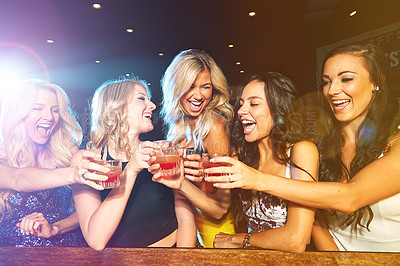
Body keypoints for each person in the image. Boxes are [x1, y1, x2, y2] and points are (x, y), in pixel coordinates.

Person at [208, 43, 400, 252]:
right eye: (326, 82)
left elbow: (350, 197)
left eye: (346, 79)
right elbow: (316, 222)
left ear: (376, 82)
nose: (333, 90)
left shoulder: (395, 141)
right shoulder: (321, 146)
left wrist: (256, 179)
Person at [72, 77, 196, 250]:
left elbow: (186, 219)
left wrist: (183, 260)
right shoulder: (88, 161)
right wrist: (131, 170)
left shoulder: (163, 152)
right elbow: (96, 239)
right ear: (116, 106)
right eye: (141, 98)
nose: (152, 105)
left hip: (170, 255)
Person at [204, 71, 318, 252]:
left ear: (278, 108)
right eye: (241, 104)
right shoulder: (242, 155)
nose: (241, 111)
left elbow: (296, 240)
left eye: (254, 104)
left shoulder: (301, 151)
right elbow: (218, 207)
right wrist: (193, 178)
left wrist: (237, 240)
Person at [0, 79, 108, 246]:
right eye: (37, 108)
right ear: (17, 113)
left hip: (68, 251)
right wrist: (75, 173)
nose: (49, 117)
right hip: (11, 256)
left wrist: (55, 228)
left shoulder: (68, 151)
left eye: (55, 110)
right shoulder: (2, 158)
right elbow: (17, 179)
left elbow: (87, 214)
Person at [151, 49, 235, 248]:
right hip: (186, 228)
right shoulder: (177, 126)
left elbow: (221, 207)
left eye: (205, 87)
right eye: (190, 86)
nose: (198, 95)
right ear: (176, 87)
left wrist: (184, 183)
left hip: (214, 231)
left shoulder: (214, 125)